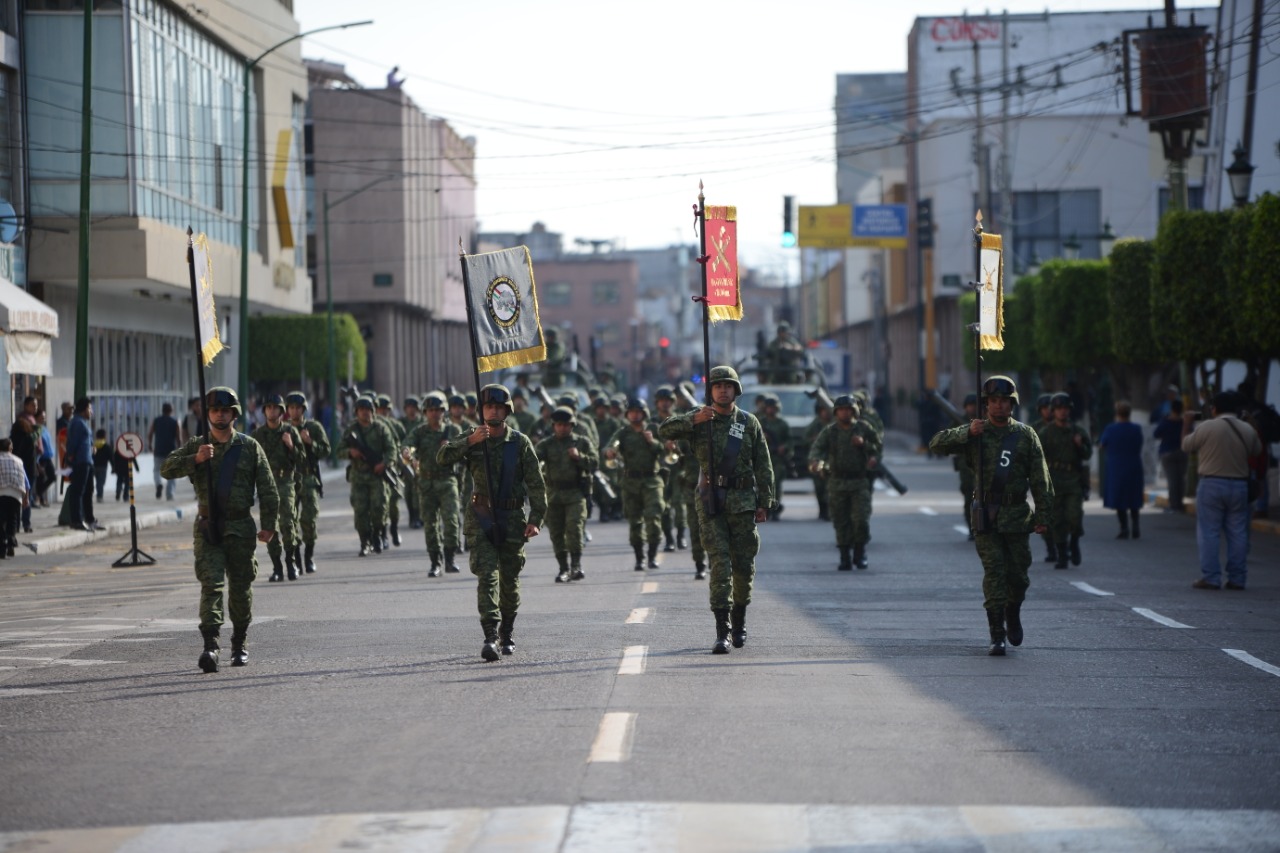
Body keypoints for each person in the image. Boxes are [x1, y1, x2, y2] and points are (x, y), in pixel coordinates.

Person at [929, 376, 1052, 656]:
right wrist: (966, 434)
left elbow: (1041, 479)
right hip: (987, 515)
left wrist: (1044, 515)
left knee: (1018, 577)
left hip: (1017, 516)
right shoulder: (975, 432)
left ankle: (1013, 610)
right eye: (993, 401)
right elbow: (936, 444)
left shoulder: (1025, 435)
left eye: (1004, 401)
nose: (998, 406)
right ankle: (997, 634)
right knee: (994, 575)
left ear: (1012, 404)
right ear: (986, 405)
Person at [659, 365, 774, 654]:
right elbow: (664, 430)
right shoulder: (700, 420)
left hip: (744, 502)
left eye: (728, 386)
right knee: (720, 565)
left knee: (744, 567)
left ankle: (739, 622)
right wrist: (692, 419)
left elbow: (764, 464)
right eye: (717, 386)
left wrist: (765, 502)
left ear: (736, 390)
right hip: (712, 501)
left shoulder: (749, 423)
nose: (723, 390)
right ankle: (721, 631)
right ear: (710, 391)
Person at [162, 387, 278, 672]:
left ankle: (239, 644)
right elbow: (167, 468)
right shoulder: (197, 445)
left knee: (240, 588)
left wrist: (269, 525)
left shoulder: (249, 447)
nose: (220, 415)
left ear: (234, 414)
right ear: (207, 414)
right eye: (215, 410)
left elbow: (268, 489)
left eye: (225, 411)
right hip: (208, 528)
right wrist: (196, 460)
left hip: (240, 528)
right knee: (211, 586)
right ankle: (210, 647)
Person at [437, 384, 546, 661]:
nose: (493, 411)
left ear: (507, 410)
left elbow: (536, 484)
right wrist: (470, 442)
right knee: (487, 576)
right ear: (481, 411)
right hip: (481, 516)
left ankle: (507, 632)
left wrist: (535, 519)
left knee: (509, 579)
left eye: (498, 407)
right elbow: (442, 458)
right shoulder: (472, 437)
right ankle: (490, 636)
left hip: (512, 519)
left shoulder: (519, 443)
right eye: (488, 407)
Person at [1181, 391, 1262, 590]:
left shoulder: (1207, 426)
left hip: (1211, 484)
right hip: (1239, 485)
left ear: (1214, 408)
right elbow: (1257, 451)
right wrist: (1252, 425)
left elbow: (1186, 445)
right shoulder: (1247, 429)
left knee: (1209, 531)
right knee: (1238, 533)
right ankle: (1237, 578)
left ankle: (1211, 577)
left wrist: (1186, 423)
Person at [809, 394, 882, 571]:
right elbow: (816, 450)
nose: (844, 413)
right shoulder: (830, 431)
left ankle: (860, 553)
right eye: (841, 410)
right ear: (836, 412)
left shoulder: (863, 428)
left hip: (859, 481)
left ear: (854, 411)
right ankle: (844, 557)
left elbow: (877, 447)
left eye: (848, 409)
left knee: (861, 520)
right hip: (837, 481)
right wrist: (817, 463)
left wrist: (865, 447)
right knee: (840, 522)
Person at [536, 406, 598, 582]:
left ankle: (576, 566)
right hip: (553, 494)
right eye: (559, 424)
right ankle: (563, 569)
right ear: (554, 425)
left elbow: (595, 463)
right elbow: (531, 461)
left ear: (572, 425)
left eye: (566, 425)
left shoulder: (582, 442)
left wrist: (579, 458)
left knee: (574, 528)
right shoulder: (546, 444)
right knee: (556, 533)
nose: (563, 428)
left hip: (575, 493)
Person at [605, 398, 666, 571]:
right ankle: (639, 558)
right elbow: (609, 448)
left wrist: (652, 441)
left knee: (654, 518)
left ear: (644, 413)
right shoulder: (623, 433)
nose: (634, 415)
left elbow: (666, 450)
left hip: (652, 481)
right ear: (627, 414)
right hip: (630, 482)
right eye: (631, 412)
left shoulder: (653, 429)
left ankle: (652, 556)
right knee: (635, 522)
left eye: (638, 412)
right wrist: (609, 452)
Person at [406, 392, 461, 576]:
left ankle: (450, 559)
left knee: (452, 522)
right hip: (426, 482)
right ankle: (435, 562)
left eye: (438, 410)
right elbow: (409, 446)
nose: (434, 414)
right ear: (425, 412)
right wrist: (409, 454)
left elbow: (464, 453)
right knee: (430, 524)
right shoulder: (419, 431)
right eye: (431, 410)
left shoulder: (452, 430)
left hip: (447, 480)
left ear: (444, 411)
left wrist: (450, 447)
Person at [1038, 392, 1093, 567]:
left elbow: (1088, 454)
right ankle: (1062, 555)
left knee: (1074, 517)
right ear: (1053, 411)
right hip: (1053, 481)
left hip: (1073, 480)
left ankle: (1074, 543)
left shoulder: (1078, 431)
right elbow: (1036, 457)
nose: (1063, 412)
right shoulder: (1045, 433)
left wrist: (1080, 444)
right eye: (1059, 409)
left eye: (1066, 409)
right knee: (1057, 520)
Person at [252, 394, 302, 582]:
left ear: (282, 411)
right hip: (267, 485)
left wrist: (291, 446)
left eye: (275, 408)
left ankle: (290, 562)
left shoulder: (290, 431)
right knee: (269, 528)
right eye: (268, 407)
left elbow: (303, 461)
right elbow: (250, 463)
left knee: (288, 525)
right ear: (264, 411)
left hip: (286, 482)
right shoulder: (257, 435)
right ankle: (277, 567)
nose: (272, 411)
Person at [338, 397, 396, 557]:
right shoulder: (351, 430)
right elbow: (339, 451)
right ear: (356, 412)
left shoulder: (380, 428)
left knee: (379, 508)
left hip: (377, 475)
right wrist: (350, 452)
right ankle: (365, 542)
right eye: (361, 410)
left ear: (372, 411)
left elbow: (392, 450)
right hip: (358, 477)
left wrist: (384, 464)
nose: (365, 412)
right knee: (360, 512)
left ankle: (377, 534)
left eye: (368, 409)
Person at [285, 391, 330, 574]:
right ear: (287, 410)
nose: (295, 411)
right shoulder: (283, 429)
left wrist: (310, 442)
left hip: (309, 478)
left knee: (309, 519)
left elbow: (326, 451)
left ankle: (309, 556)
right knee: (290, 521)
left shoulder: (314, 427)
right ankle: (294, 558)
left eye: (298, 408)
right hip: (288, 479)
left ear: (304, 409)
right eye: (292, 408)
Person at [1098, 400, 1144, 540]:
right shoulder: (1136, 428)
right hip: (1134, 465)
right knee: (1133, 496)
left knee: (1119, 497)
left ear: (1117, 413)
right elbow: (1140, 443)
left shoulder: (1110, 429)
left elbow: (1102, 445)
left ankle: (1124, 528)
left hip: (1116, 467)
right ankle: (1135, 525)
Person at [59, 398, 100, 532]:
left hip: (87, 460)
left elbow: (86, 441)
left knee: (88, 491)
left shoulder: (83, 423)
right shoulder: (77, 423)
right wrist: (71, 457)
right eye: (89, 409)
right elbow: (72, 444)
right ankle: (76, 520)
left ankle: (90, 519)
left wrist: (92, 447)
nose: (91, 412)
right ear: (83, 410)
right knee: (78, 491)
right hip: (80, 462)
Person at [1153, 399, 1188, 512]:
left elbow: (1156, 434)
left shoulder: (1166, 421)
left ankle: (1174, 504)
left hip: (1167, 453)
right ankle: (1180, 503)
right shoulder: (1184, 422)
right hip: (1182, 452)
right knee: (1181, 479)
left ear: (1172, 409)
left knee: (1172, 479)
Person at [760, 395, 790, 520]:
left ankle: (775, 509)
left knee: (776, 484)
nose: (770, 410)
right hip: (762, 459)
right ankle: (765, 508)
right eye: (768, 408)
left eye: (773, 408)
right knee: (762, 484)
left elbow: (789, 441)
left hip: (777, 459)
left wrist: (784, 447)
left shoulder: (782, 424)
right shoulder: (760, 423)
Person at [952, 394, 979, 539]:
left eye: (974, 405)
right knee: (969, 496)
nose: (972, 408)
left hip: (982, 463)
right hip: (965, 464)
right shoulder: (958, 421)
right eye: (969, 405)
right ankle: (971, 528)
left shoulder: (985, 421)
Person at [10, 396, 38, 532]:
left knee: (16, 498)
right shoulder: (29, 439)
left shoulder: (12, 439)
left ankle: (15, 525)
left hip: (16, 470)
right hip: (29, 470)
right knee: (28, 496)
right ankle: (26, 523)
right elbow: (33, 456)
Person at [804, 396, 833, 521]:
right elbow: (805, 438)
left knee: (830, 487)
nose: (825, 413)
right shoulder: (815, 424)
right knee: (819, 487)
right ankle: (822, 509)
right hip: (818, 458)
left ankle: (829, 511)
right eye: (823, 410)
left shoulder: (835, 424)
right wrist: (813, 439)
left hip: (832, 459)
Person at [0, 438, 29, 559]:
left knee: (1, 522)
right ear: (10, 449)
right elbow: (26, 482)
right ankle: (11, 542)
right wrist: (25, 498)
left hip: (1, 492)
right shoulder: (19, 461)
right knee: (13, 520)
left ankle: (2, 547)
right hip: (16, 494)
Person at [149, 402, 181, 500]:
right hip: (171, 450)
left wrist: (150, 445)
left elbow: (150, 434)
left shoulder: (156, 420)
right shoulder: (175, 421)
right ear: (171, 410)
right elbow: (178, 437)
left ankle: (159, 484)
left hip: (158, 449)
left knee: (156, 470)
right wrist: (180, 449)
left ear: (162, 410)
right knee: (172, 472)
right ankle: (170, 494)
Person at [34, 410, 56, 508]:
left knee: (52, 477)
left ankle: (39, 496)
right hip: (40, 458)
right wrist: (37, 462)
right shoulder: (35, 428)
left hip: (47, 457)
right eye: (42, 417)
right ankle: (39, 498)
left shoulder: (44, 428)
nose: (44, 419)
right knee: (41, 479)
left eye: (44, 417)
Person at [110, 436, 139, 501]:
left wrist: (113, 469)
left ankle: (118, 492)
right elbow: (134, 460)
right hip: (127, 469)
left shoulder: (118, 451)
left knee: (119, 481)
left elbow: (114, 460)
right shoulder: (129, 451)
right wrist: (137, 468)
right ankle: (125, 496)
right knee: (127, 483)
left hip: (119, 469)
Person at [92, 429, 112, 501]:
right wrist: (114, 467)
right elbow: (111, 457)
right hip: (103, 467)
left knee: (93, 481)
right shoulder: (106, 446)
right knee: (100, 482)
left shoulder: (94, 446)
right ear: (104, 436)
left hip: (94, 466)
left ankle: (92, 495)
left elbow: (91, 455)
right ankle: (99, 496)